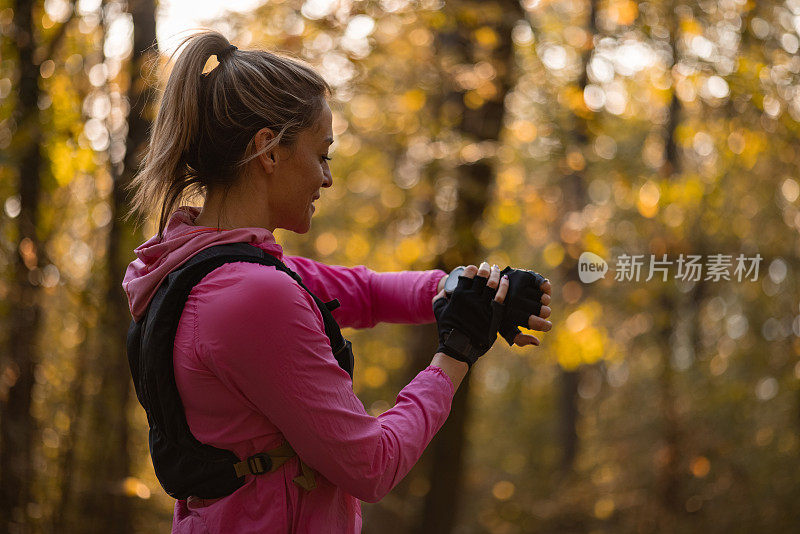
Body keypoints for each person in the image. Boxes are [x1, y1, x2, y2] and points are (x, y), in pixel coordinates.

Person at [122, 31, 552, 533]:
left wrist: (480, 288)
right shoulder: (253, 297)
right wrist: (455, 354)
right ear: (270, 151)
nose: (327, 178)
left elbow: (367, 292)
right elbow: (371, 465)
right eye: (322, 155)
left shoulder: (203, 266)